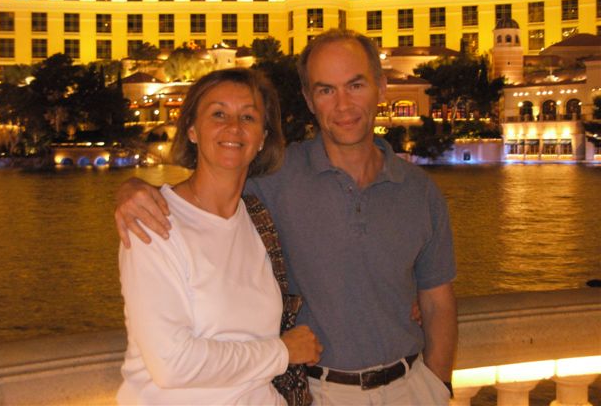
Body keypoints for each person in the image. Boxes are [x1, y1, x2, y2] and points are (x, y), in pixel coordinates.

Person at [116, 30, 458, 405]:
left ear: (381, 85)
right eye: (326, 90)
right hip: (320, 391)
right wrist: (132, 190)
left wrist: (438, 387)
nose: (343, 104)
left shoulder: (420, 191)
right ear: (310, 100)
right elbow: (205, 192)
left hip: (410, 389)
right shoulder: (274, 180)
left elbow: (438, 301)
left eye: (355, 85)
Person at [117, 68, 322, 405]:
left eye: (248, 117)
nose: (234, 127)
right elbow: (172, 364)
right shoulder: (153, 220)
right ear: (193, 130)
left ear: (262, 139)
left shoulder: (258, 220)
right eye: (218, 114)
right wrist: (281, 352)